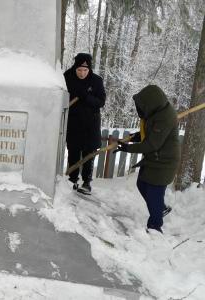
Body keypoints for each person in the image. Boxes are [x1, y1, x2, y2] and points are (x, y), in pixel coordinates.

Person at [114, 85, 180, 233]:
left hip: (163, 162)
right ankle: (160, 208)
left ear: (150, 104)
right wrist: (137, 136)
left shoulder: (165, 117)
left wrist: (128, 148)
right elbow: (150, 133)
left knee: (154, 192)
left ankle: (155, 227)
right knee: (142, 183)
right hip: (155, 159)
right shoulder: (154, 112)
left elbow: (151, 144)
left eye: (141, 107)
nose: (139, 111)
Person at [64, 53, 106, 194]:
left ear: (89, 69)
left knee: (88, 154)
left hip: (90, 124)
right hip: (73, 123)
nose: (82, 73)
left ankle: (86, 182)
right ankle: (73, 179)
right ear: (75, 68)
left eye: (85, 70)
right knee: (73, 152)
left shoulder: (96, 81)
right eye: (79, 70)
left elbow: (101, 102)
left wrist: (86, 97)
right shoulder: (67, 78)